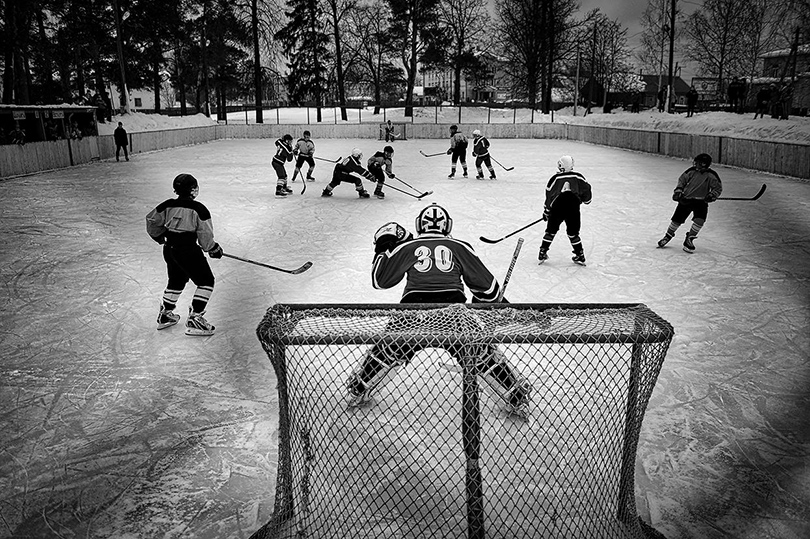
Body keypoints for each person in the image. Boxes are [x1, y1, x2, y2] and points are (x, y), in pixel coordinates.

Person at [345, 204, 532, 417]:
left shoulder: (408, 247)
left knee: (388, 349)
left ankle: (359, 389)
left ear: (419, 225)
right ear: (447, 226)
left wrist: (383, 246)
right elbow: (488, 289)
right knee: (479, 352)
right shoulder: (460, 246)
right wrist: (485, 300)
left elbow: (380, 281)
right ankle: (515, 396)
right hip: (453, 313)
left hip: (412, 311)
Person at [145, 173, 223, 336]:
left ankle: (165, 315)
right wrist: (213, 248)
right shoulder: (199, 209)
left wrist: (159, 236)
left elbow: (152, 220)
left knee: (176, 280)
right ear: (193, 189)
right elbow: (205, 234)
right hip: (188, 250)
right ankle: (195, 317)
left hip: (170, 249)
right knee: (206, 281)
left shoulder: (167, 204)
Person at [657, 153, 723, 254]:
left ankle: (690, 238)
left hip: (701, 202)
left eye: (698, 163)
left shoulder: (711, 175)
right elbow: (681, 181)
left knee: (699, 221)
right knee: (676, 221)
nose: (695, 164)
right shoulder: (691, 172)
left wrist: (712, 195)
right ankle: (668, 236)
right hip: (686, 200)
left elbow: (717, 188)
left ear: (704, 164)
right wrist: (678, 191)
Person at [537, 155, 593, 266]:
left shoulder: (554, 179)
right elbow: (587, 190)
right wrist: (585, 200)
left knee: (551, 231)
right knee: (573, 233)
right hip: (573, 207)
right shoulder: (578, 177)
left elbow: (549, 196)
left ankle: (543, 252)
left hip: (557, 207)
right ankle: (580, 255)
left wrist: (546, 211)